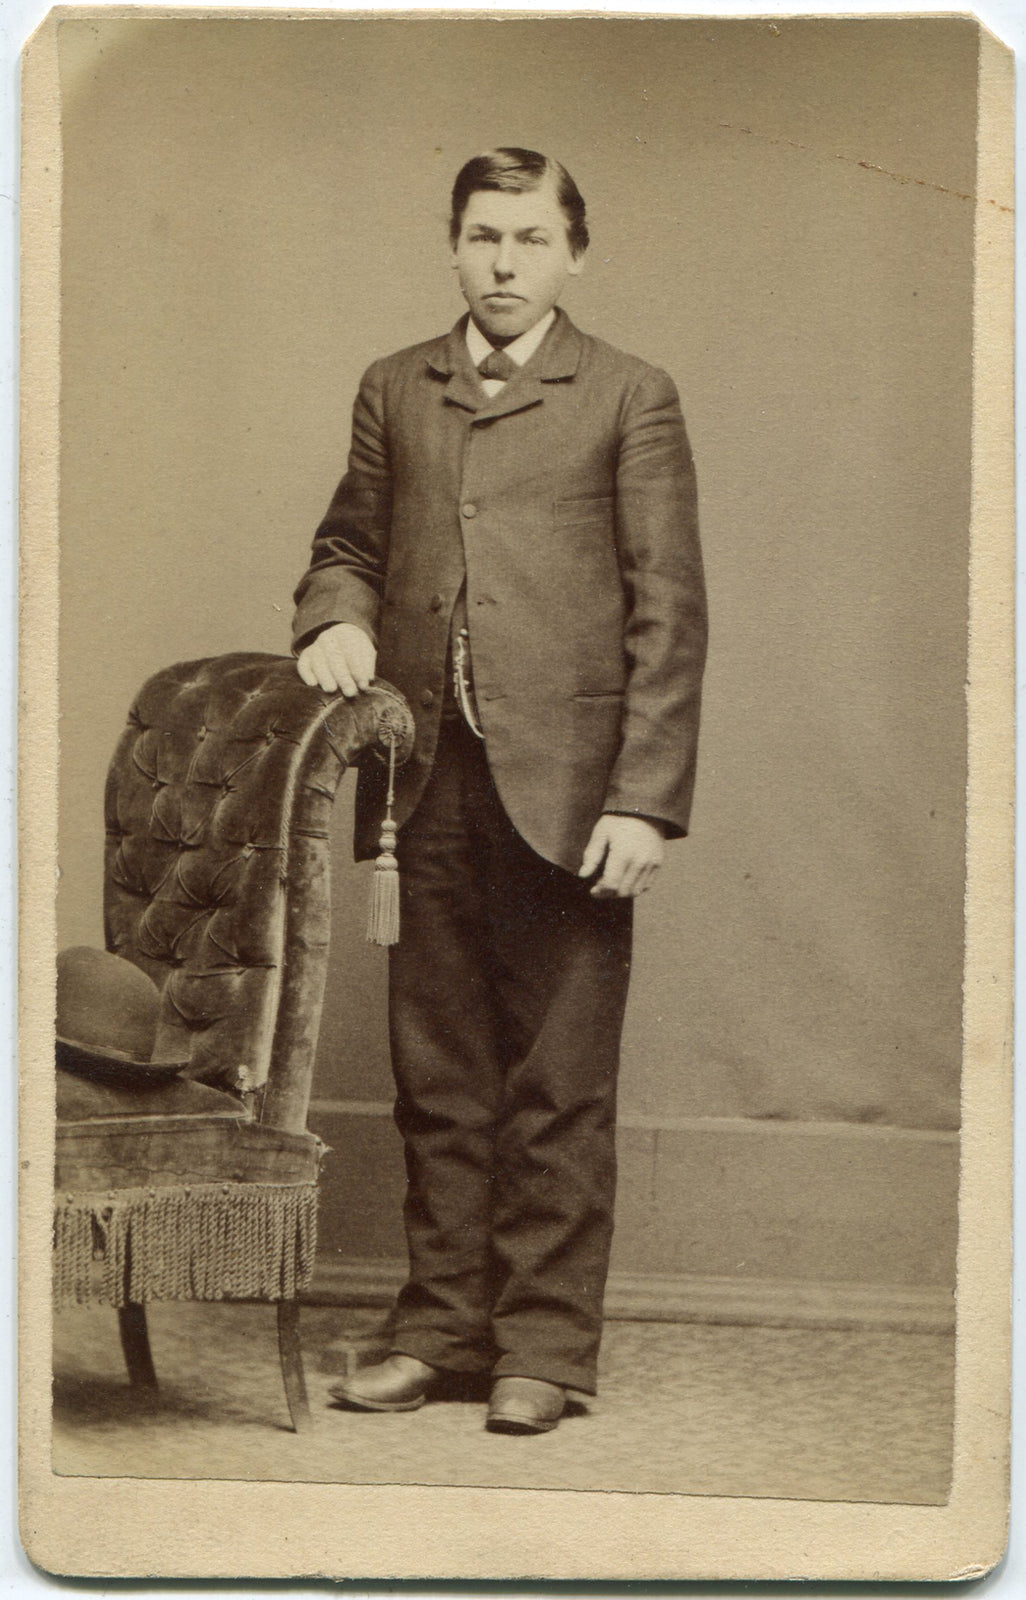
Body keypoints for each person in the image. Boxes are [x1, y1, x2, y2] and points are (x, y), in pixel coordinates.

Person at [293, 148, 707, 1434]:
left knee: (560, 1080)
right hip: (423, 791)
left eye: (531, 239)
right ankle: (440, 1329)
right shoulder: (395, 389)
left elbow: (670, 614)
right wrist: (332, 622)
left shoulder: (629, 394)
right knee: (441, 1074)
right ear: (454, 247)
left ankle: (541, 1347)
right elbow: (346, 549)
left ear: (574, 251)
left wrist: (644, 799)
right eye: (484, 238)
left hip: (577, 797)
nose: (506, 264)